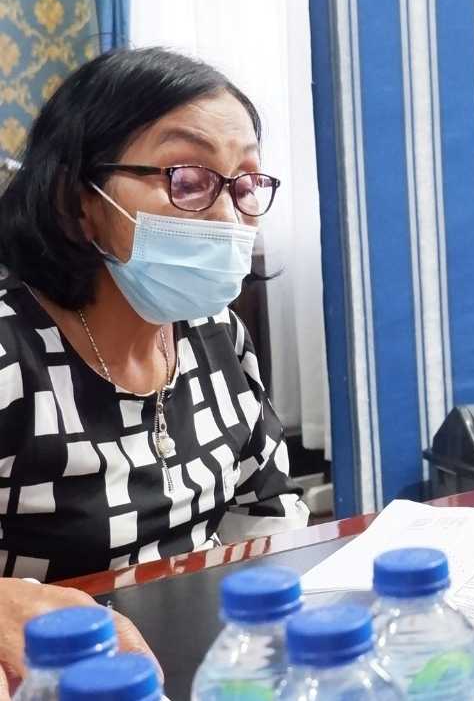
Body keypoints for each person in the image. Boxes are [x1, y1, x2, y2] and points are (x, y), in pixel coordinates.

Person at [0, 47, 308, 686]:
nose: (227, 217)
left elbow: (266, 508)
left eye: (244, 183)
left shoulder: (215, 331)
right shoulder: (10, 352)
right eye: (187, 180)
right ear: (78, 201)